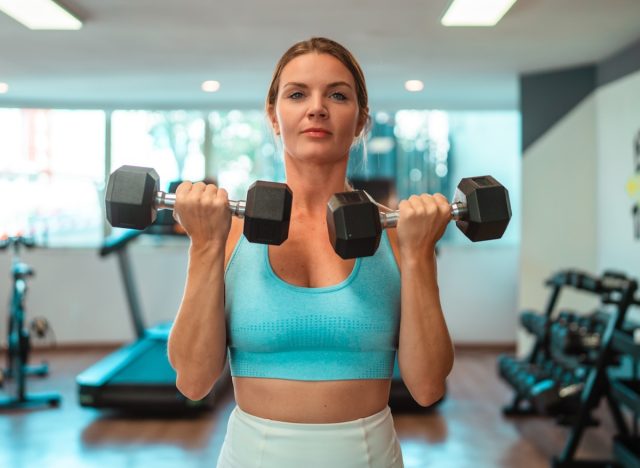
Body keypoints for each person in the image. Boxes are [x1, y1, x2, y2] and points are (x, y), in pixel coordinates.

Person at [167, 37, 454, 468]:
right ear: (274, 116)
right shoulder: (229, 234)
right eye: (297, 94)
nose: (316, 108)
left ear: (360, 121)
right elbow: (192, 381)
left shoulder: (397, 235)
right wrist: (204, 244)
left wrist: (418, 255)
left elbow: (429, 386)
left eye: (337, 95)